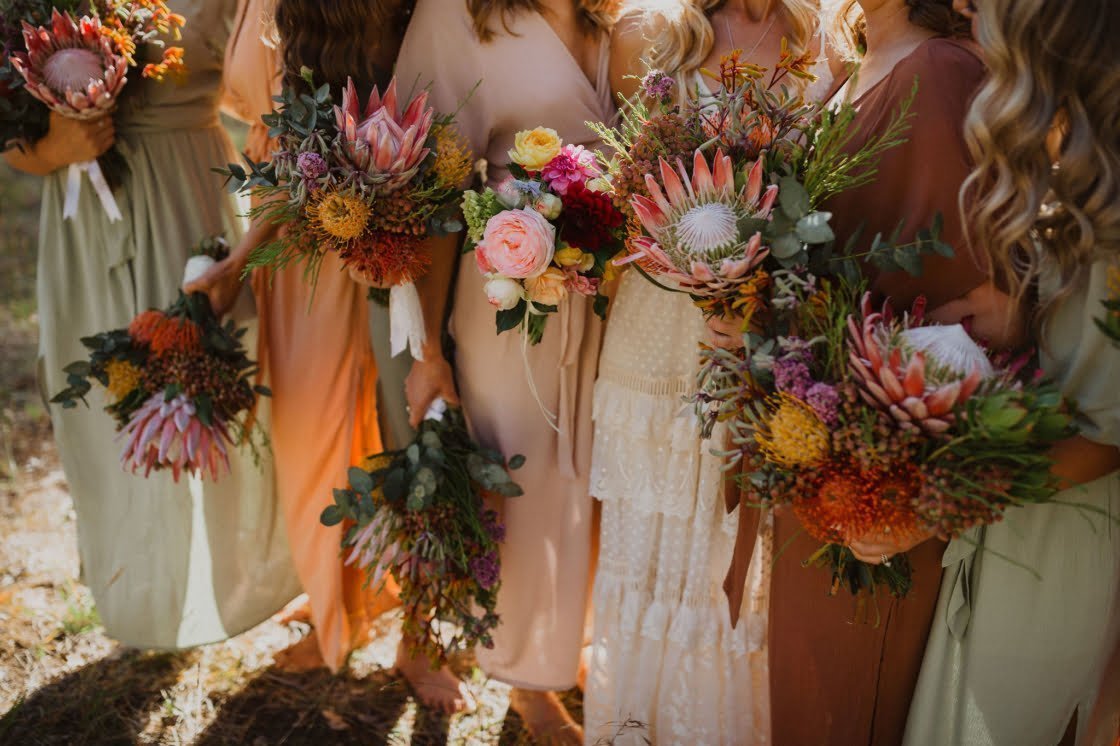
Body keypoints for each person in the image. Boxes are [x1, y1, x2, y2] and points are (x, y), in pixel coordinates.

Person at [716, 2, 991, 743]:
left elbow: (947, 290)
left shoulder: (943, 69)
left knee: (846, 694)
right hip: (816, 439)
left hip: (875, 463)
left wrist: (776, 327)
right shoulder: (857, 57)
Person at [4, 0, 301, 649]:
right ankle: (137, 594)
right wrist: (52, 149)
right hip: (83, 219)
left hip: (185, 196)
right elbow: (9, 132)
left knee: (201, 393)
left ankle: (227, 587)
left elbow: (281, 104)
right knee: (101, 403)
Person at [582, 1, 827, 743]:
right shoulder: (651, 35)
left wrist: (756, 296)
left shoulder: (821, 43)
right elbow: (621, 191)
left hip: (756, 329)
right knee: (651, 541)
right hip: (657, 333)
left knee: (730, 542)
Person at [395, 0, 620, 740]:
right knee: (520, 481)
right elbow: (428, 191)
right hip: (508, 290)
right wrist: (428, 351)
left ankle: (565, 644)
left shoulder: (620, 15)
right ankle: (524, 681)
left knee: (589, 480)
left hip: (614, 294)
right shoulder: (457, 16)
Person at [903, 1, 1120, 743]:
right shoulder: (1068, 156)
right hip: (1011, 520)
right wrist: (1018, 313)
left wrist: (926, 509)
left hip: (1065, 542)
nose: (964, 4)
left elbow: (1108, 435)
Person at [189, 0, 406, 676]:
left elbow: (307, 148)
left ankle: (343, 617)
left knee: (320, 421)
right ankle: (349, 588)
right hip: (280, 215)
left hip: (319, 222)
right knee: (319, 418)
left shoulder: (324, 10)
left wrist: (241, 256)